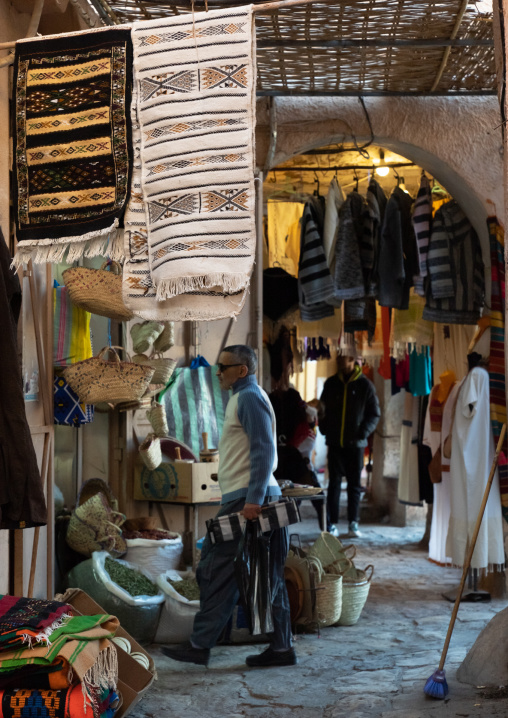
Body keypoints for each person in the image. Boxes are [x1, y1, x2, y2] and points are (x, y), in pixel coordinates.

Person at [162, 345, 295, 668]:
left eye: (224, 367)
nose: (218, 372)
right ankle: (280, 648)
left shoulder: (249, 397)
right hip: (248, 496)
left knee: (217, 567)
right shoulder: (244, 397)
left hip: (248, 500)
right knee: (263, 574)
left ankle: (201, 644)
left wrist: (252, 500)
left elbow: (263, 450)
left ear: (242, 370)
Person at [319, 353, 380, 538]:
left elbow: (374, 414)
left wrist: (362, 433)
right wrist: (324, 429)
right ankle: (332, 524)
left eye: (343, 358)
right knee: (334, 484)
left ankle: (353, 523)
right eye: (338, 358)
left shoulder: (365, 385)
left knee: (354, 484)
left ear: (353, 361)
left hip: (356, 444)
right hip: (335, 442)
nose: (339, 362)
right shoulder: (330, 384)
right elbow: (322, 410)